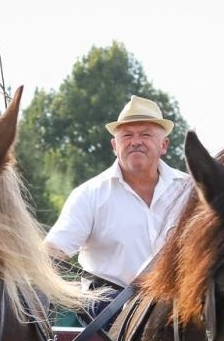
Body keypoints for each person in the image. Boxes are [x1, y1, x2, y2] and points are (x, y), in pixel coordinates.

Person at [45, 95, 191, 316]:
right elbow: (55, 251)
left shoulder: (190, 192)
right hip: (107, 314)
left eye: (145, 134)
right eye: (127, 135)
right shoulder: (89, 195)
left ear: (164, 145)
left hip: (178, 311)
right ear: (115, 146)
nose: (136, 141)